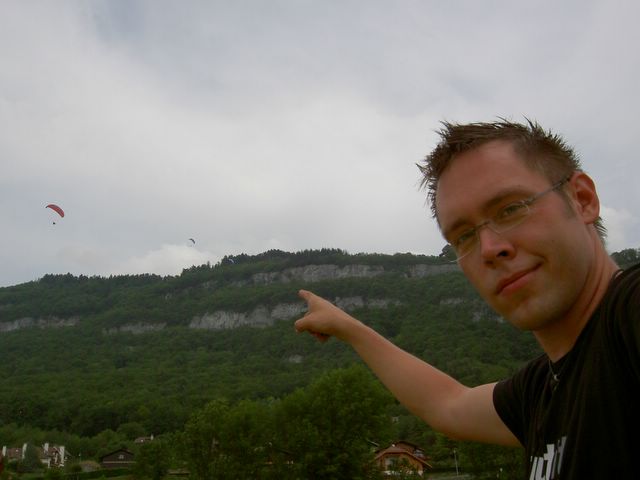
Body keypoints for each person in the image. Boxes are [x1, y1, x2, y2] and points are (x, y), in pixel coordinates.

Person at [294, 119, 640, 479]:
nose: (488, 249)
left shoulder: (627, 316)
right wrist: (346, 326)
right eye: (464, 236)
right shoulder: (540, 391)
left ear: (582, 199)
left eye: (511, 208)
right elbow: (448, 405)